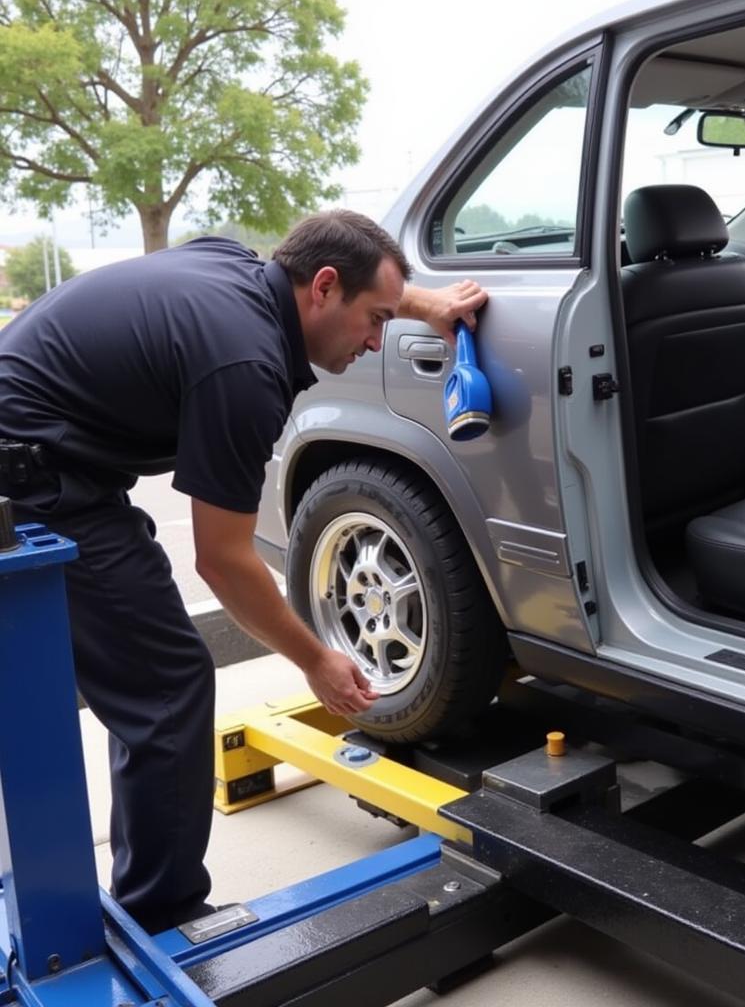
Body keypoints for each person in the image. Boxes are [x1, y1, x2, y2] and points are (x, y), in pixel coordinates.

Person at [0, 209, 486, 934]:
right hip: (35, 481)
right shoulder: (245, 366)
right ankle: (163, 918)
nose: (378, 340)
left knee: (143, 674)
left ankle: (145, 902)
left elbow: (345, 272)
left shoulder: (241, 269)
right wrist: (316, 659)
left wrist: (426, 304)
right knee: (167, 684)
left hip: (49, 453)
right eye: (376, 319)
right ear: (322, 289)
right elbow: (222, 561)